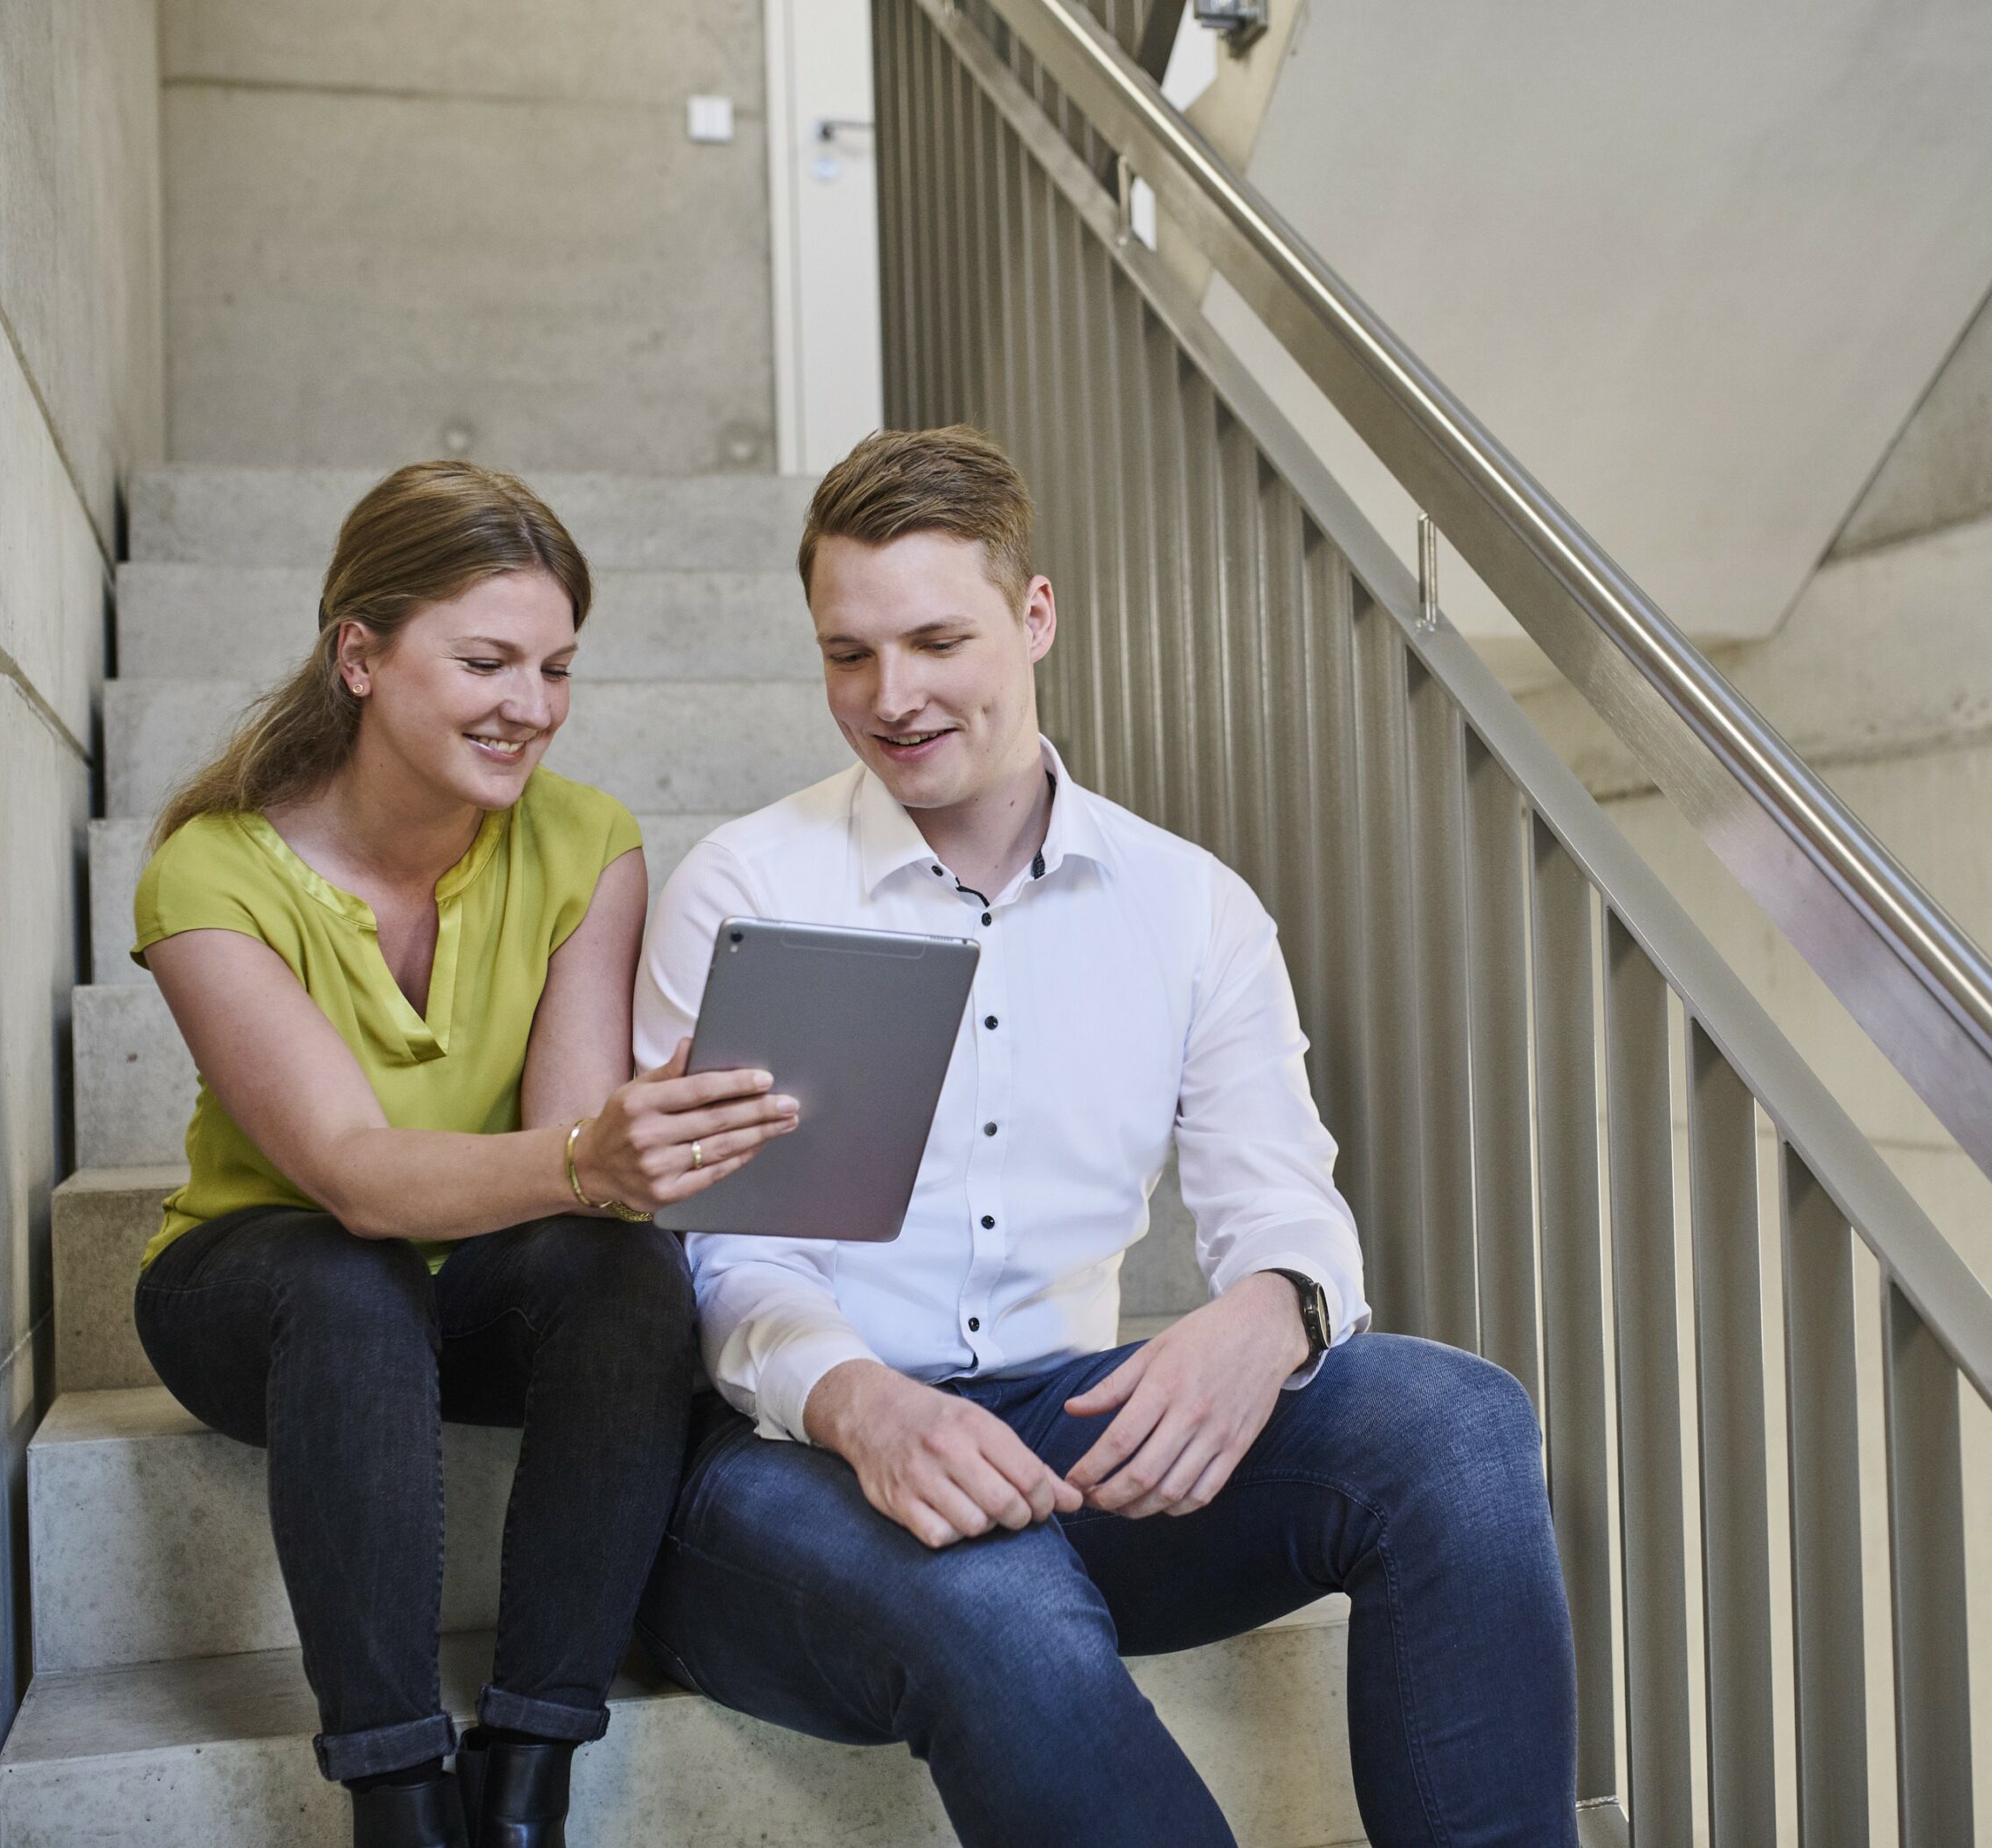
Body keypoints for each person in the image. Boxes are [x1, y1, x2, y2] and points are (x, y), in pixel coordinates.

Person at [630, 427, 1580, 1845]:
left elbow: (1289, 1207)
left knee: (1456, 1425)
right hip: (785, 1467)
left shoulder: (1190, 906)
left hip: (1062, 1433)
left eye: (938, 638)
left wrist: (1268, 1314)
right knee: (998, 1589)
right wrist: (867, 1406)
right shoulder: (751, 885)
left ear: (1036, 618)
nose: (891, 698)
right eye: (848, 653)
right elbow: (722, 1252)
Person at [129, 462, 799, 1848]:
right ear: (359, 654)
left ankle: (529, 1776)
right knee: (346, 1276)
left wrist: (628, 1151)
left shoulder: (587, 841)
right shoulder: (212, 868)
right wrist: (585, 1155)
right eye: (488, 660)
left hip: (466, 1284)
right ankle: (396, 1795)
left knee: (620, 1276)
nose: (532, 707)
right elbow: (355, 1174)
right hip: (254, 1289)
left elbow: (557, 1163)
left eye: (557, 667)